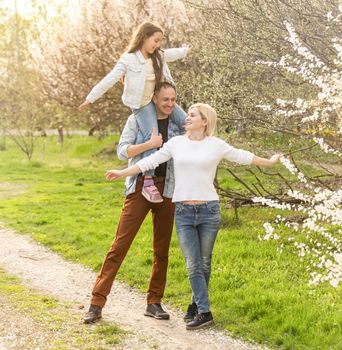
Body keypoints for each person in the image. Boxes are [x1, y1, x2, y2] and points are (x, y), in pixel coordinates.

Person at [105, 103, 281, 330]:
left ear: (204, 121)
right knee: (193, 264)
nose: (186, 118)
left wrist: (269, 161)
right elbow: (149, 162)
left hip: (209, 211)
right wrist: (122, 172)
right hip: (184, 212)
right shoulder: (176, 143)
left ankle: (196, 306)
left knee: (204, 263)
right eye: (187, 114)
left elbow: (242, 156)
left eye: (192, 115)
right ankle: (205, 312)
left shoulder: (216, 145)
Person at [83, 82, 185, 324]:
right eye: (165, 99)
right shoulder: (137, 119)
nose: (169, 104)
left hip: (168, 187)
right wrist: (149, 145)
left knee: (161, 251)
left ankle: (154, 302)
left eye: (173, 99)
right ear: (153, 98)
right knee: (120, 245)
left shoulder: (177, 124)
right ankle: (96, 303)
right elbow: (122, 151)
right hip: (140, 186)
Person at [79, 22, 190, 203]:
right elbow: (110, 79)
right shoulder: (128, 59)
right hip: (142, 105)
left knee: (187, 121)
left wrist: (185, 51)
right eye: (155, 40)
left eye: (160, 41)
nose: (157, 45)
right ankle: (148, 180)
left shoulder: (158, 56)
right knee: (153, 138)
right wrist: (90, 98)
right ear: (144, 37)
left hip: (156, 98)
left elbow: (171, 54)